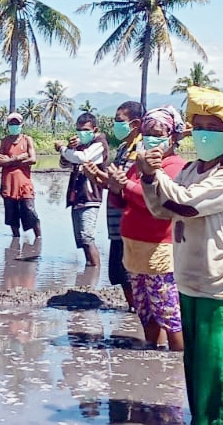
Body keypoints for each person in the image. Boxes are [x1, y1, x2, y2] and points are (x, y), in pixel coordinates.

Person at [139, 86, 223, 425]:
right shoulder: (192, 169)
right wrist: (150, 180)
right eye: (200, 126)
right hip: (190, 286)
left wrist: (154, 173)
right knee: (198, 378)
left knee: (218, 382)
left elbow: (185, 205)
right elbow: (163, 209)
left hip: (222, 293)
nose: (204, 134)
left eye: (213, 128)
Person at [106, 107, 187, 351]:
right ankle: (152, 355)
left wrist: (126, 186)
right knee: (146, 312)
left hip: (159, 251)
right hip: (134, 250)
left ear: (172, 137)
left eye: (157, 133)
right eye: (147, 133)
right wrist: (114, 187)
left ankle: (176, 362)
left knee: (170, 315)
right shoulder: (139, 163)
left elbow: (155, 202)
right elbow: (122, 201)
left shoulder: (174, 166)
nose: (150, 138)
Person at [84, 100, 143, 312]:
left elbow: (129, 185)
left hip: (131, 224)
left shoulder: (140, 150)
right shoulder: (124, 148)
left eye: (120, 121)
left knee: (130, 273)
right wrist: (96, 175)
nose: (116, 125)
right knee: (119, 273)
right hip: (117, 223)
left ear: (135, 123)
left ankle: (139, 313)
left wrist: (103, 178)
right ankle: (133, 310)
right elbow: (115, 183)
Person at [56, 112, 108, 268]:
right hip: (77, 197)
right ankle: (89, 268)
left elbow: (82, 158)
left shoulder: (100, 144)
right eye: (79, 130)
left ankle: (94, 270)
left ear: (94, 129)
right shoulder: (81, 146)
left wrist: (63, 149)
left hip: (90, 197)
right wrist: (69, 149)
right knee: (81, 239)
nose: (81, 133)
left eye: (85, 129)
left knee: (87, 237)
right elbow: (64, 164)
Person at [0, 112, 41, 238]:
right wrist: (21, 158)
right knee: (12, 217)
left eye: (16, 123)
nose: (14, 126)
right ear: (8, 125)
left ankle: (39, 239)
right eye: (11, 123)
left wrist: (9, 161)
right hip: (9, 185)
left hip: (24, 184)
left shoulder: (27, 140)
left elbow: (32, 159)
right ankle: (15, 240)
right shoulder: (4, 141)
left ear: (22, 125)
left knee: (30, 212)